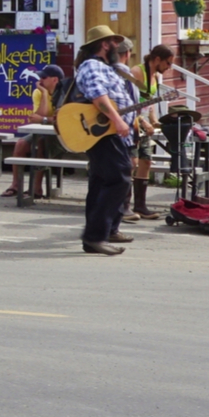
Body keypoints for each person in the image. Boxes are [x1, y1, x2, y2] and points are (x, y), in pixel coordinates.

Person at [73, 26, 137, 255]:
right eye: (113, 42)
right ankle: (95, 235)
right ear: (104, 44)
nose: (116, 46)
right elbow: (98, 96)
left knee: (101, 181)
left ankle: (98, 235)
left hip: (108, 130)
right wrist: (118, 120)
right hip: (104, 131)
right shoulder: (92, 65)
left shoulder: (104, 67)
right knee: (120, 177)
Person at [124, 45, 174, 220]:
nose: (169, 68)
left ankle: (140, 206)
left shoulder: (155, 76)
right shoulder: (137, 72)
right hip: (132, 123)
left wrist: (154, 119)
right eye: (168, 63)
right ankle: (124, 207)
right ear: (157, 59)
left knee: (146, 162)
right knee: (131, 163)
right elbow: (129, 101)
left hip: (144, 124)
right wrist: (144, 122)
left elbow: (149, 101)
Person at [2, 64, 64, 200]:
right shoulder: (39, 92)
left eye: (44, 77)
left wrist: (44, 119)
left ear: (55, 80)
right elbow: (38, 118)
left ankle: (36, 188)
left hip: (64, 135)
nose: (40, 80)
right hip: (46, 131)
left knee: (41, 144)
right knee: (21, 144)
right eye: (39, 76)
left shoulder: (65, 93)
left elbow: (62, 120)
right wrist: (45, 94)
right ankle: (15, 185)